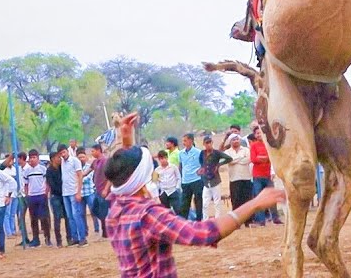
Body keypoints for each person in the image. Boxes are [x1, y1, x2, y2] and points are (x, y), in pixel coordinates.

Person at [103, 113, 285, 278]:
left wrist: (125, 141)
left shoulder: (116, 208)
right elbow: (202, 233)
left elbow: (123, 177)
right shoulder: (148, 215)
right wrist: (254, 204)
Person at [248, 125, 279, 226]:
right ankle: (261, 220)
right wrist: (264, 158)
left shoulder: (268, 144)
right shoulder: (253, 145)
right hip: (257, 175)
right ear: (255, 135)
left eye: (260, 132)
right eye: (257, 133)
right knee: (259, 197)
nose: (259, 134)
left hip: (268, 174)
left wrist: (261, 158)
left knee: (272, 196)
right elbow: (253, 159)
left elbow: (272, 157)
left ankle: (275, 218)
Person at [197, 135, 233, 219]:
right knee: (205, 203)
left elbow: (229, 158)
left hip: (215, 180)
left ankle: (217, 219)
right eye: (207, 143)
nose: (208, 144)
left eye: (210, 143)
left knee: (217, 202)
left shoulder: (216, 153)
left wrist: (219, 164)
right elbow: (201, 162)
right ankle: (205, 220)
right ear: (204, 144)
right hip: (206, 180)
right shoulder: (202, 153)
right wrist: (202, 169)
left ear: (212, 143)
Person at [21, 150, 50, 247]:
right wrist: (27, 195)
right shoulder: (27, 171)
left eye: (34, 158)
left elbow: (47, 182)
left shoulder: (43, 169)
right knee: (33, 219)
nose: (32, 160)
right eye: (31, 158)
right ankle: (36, 239)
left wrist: (46, 193)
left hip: (41, 195)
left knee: (44, 218)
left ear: (38, 158)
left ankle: (47, 237)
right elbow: (26, 184)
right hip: (32, 196)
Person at [60, 146, 88, 246]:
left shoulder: (75, 161)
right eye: (61, 153)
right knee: (70, 216)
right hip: (65, 192)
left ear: (67, 151)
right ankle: (75, 237)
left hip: (74, 191)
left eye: (64, 152)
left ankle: (83, 238)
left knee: (77, 215)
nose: (63, 155)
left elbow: (80, 175)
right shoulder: (62, 162)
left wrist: (79, 192)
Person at [176, 134, 204, 222]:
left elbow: (203, 164)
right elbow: (180, 166)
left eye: (185, 140)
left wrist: (201, 171)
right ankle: (183, 221)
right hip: (185, 181)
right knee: (185, 202)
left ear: (191, 141)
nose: (183, 142)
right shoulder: (181, 153)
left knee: (198, 201)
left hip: (196, 180)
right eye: (183, 141)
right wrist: (181, 177)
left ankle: (199, 219)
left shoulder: (198, 152)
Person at [224, 135, 254, 218]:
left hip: (246, 178)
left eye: (237, 139)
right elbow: (230, 161)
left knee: (247, 200)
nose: (236, 141)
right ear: (230, 142)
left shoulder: (246, 150)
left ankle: (249, 220)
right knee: (236, 201)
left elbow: (248, 159)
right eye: (233, 140)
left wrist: (235, 159)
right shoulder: (227, 152)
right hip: (234, 179)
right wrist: (241, 158)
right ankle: (236, 221)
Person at [44, 151, 68, 246]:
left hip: (64, 195)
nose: (60, 159)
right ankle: (59, 240)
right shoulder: (49, 170)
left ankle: (69, 238)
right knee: (57, 218)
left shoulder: (63, 168)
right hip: (55, 196)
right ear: (53, 159)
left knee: (67, 217)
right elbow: (51, 185)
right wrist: (62, 190)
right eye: (58, 157)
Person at [152, 152, 182, 216]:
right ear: (159, 159)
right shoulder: (157, 170)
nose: (163, 160)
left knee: (178, 210)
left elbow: (178, 177)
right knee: (166, 212)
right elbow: (155, 181)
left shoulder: (173, 167)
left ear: (167, 158)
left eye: (164, 158)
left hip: (173, 190)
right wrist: (159, 190)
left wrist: (177, 187)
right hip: (163, 192)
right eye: (161, 158)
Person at [78, 149, 99, 237]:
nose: (81, 159)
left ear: (86, 157)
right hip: (81, 193)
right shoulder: (77, 168)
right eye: (79, 157)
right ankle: (85, 230)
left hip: (89, 192)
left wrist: (78, 179)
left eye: (83, 157)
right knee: (82, 214)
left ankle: (97, 228)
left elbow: (87, 179)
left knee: (93, 211)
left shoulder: (90, 167)